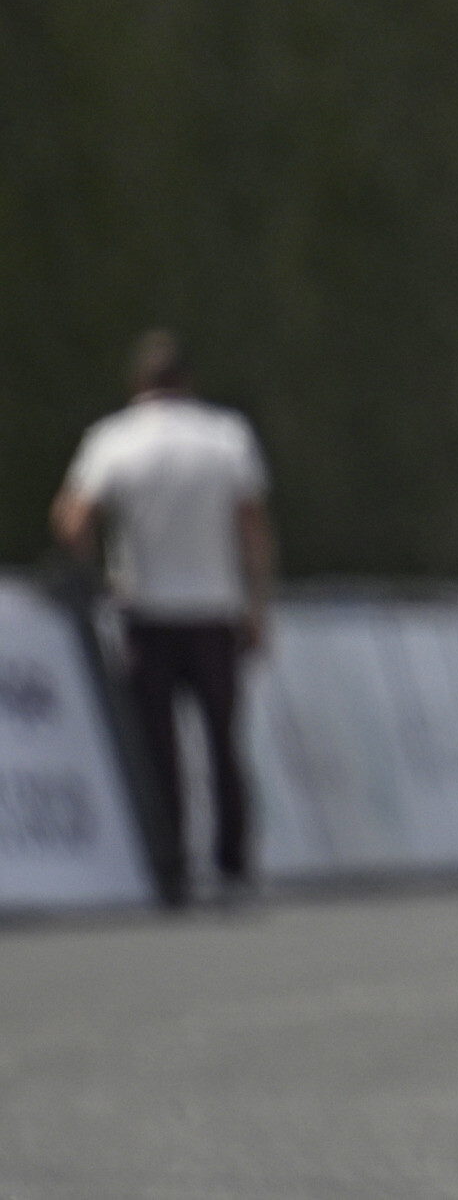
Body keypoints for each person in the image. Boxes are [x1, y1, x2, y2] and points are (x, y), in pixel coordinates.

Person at [50, 330, 274, 906]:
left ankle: (171, 866)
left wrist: (88, 572)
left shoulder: (114, 440)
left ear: (138, 384)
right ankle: (233, 864)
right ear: (188, 382)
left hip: (146, 614)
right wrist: (257, 606)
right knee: (223, 740)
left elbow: (73, 519)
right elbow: (252, 528)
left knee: (158, 746)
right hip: (214, 611)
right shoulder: (225, 436)